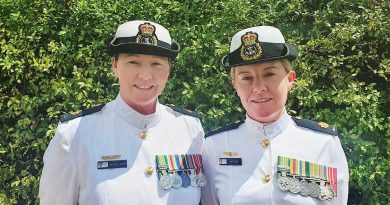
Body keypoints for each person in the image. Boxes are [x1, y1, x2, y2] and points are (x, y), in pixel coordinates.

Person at [39, 20, 206, 205]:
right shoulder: (75, 135)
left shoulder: (189, 129)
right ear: (115, 65)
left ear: (169, 70)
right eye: (133, 62)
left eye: (156, 63)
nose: (145, 75)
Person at [201, 26, 349, 205]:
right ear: (235, 86)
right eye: (246, 78)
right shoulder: (215, 146)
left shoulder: (323, 143)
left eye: (270, 74)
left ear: (290, 79)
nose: (258, 87)